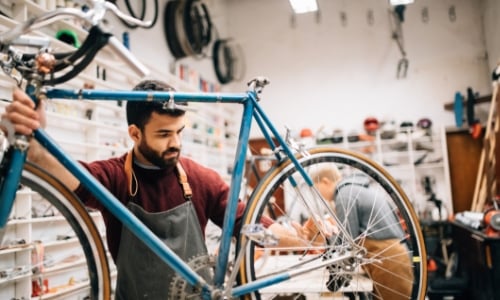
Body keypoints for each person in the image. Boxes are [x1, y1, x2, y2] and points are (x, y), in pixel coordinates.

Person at [2, 80, 310, 299]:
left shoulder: (198, 178)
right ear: (135, 133)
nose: (175, 142)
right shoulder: (115, 177)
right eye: (164, 134)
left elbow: (244, 221)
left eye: (179, 132)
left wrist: (295, 238)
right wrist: (34, 140)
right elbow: (66, 174)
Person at [311, 165, 414, 300]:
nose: (319, 196)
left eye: (317, 189)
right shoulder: (356, 190)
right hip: (393, 257)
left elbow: (347, 243)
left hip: (389, 261)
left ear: (325, 181)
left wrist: (323, 236)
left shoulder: (344, 195)